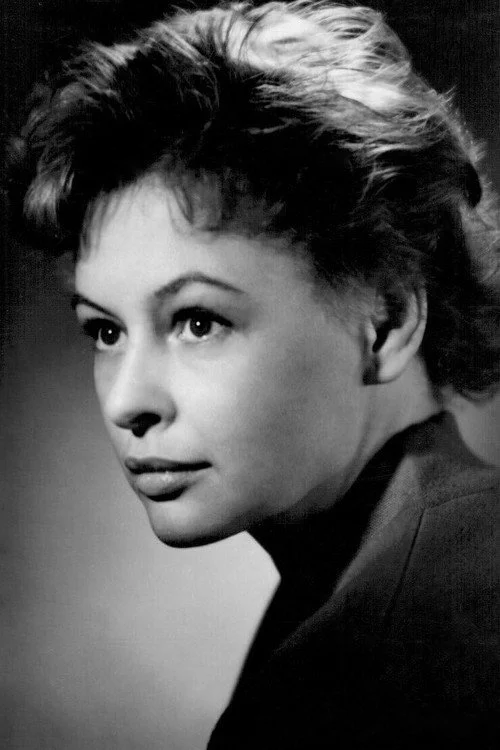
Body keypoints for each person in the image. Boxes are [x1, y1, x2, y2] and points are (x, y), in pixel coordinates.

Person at [8, 1, 500, 746]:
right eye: (105, 331)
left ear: (387, 320)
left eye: (198, 321)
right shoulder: (427, 565)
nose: (127, 402)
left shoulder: (368, 673)